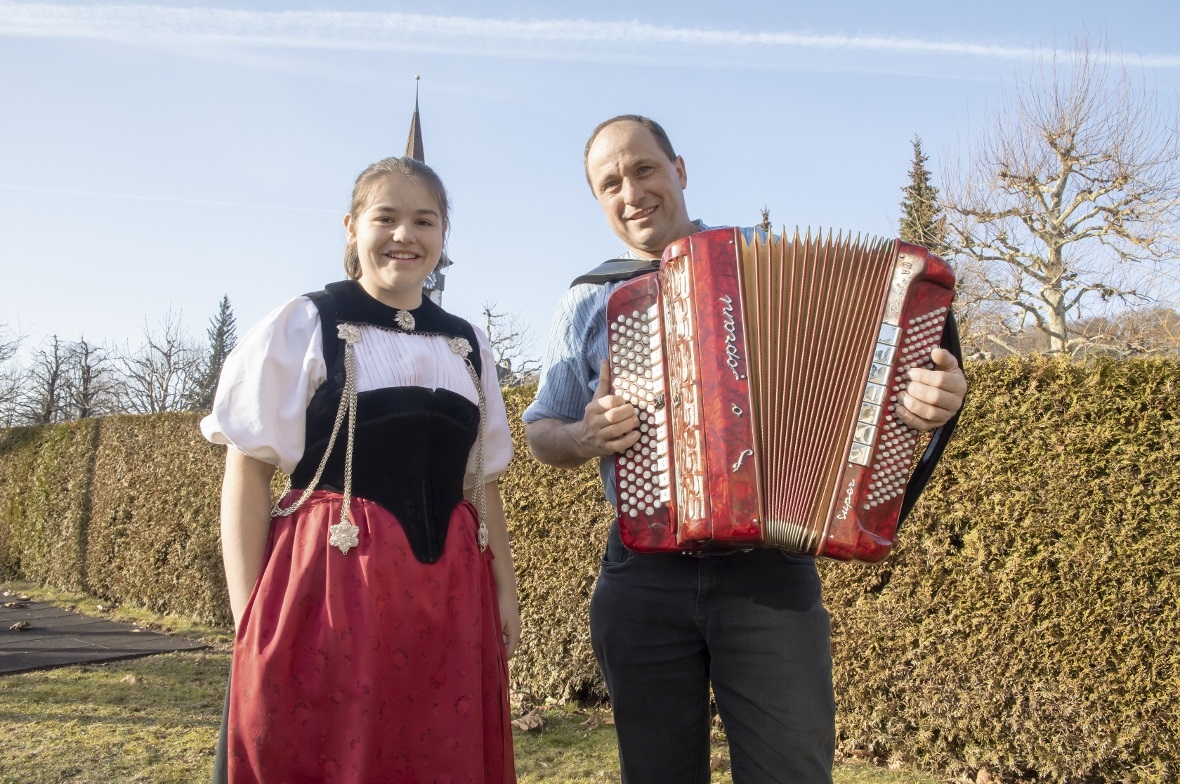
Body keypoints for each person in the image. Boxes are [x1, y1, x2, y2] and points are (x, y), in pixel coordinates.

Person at [523, 115, 967, 784]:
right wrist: (585, 435)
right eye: (609, 182)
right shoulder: (590, 297)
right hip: (642, 576)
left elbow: (881, 370)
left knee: (791, 770)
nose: (631, 191)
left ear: (679, 170)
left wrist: (934, 396)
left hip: (769, 575)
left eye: (644, 169)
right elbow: (540, 430)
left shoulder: (761, 255)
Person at [201, 156, 520, 784]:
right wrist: (250, 615)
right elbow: (247, 466)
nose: (406, 235)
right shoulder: (304, 324)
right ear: (352, 226)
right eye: (387, 217)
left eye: (424, 220)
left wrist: (503, 586)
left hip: (448, 591)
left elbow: (480, 481)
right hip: (327, 590)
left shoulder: (466, 344)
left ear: (443, 235)